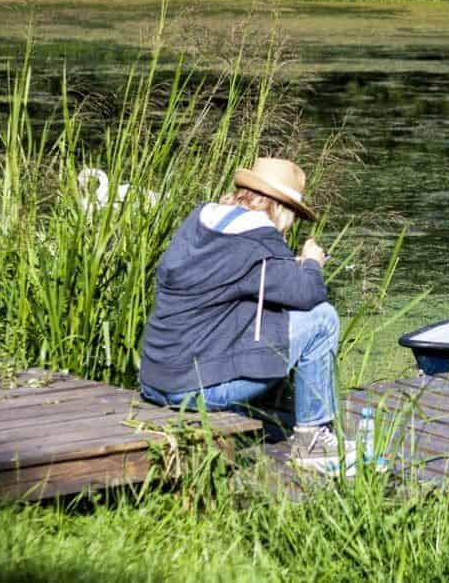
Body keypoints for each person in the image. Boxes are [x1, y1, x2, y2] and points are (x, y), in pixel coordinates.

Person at [139, 157, 353, 471]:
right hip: (193, 390)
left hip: (154, 379)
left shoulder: (198, 222)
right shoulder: (260, 240)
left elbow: (231, 278)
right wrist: (310, 263)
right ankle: (313, 439)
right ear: (281, 209)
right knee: (323, 318)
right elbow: (307, 294)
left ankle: (274, 408)